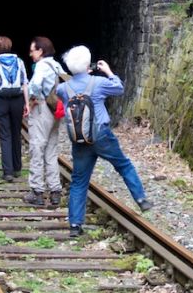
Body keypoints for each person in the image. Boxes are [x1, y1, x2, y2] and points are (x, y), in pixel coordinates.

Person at [57, 45, 153, 237]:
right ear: (88, 65)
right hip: (101, 135)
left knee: (79, 181)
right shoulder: (99, 82)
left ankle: (75, 225)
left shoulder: (62, 89)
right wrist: (108, 71)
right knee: (123, 165)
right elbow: (119, 88)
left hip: (79, 139)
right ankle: (141, 199)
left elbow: (69, 95)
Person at [26, 36, 66, 208]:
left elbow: (34, 85)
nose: (30, 54)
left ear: (40, 51)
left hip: (42, 109)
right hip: (55, 110)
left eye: (32, 50)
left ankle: (37, 191)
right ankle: (55, 191)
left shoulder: (42, 65)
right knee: (51, 150)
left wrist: (32, 99)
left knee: (37, 148)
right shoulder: (56, 65)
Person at [0, 36, 29, 182]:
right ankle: (17, 168)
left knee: (5, 136)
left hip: (1, 100)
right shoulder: (20, 62)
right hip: (17, 99)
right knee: (16, 133)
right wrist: (27, 103)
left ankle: (8, 172)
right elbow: (25, 83)